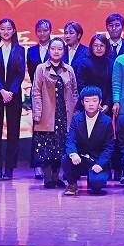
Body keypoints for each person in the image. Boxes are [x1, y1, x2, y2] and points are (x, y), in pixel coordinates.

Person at [31, 37, 79, 188]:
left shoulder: (68, 69)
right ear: (49, 50)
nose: (56, 52)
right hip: (47, 114)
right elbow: (36, 91)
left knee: (60, 147)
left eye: (59, 49)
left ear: (64, 51)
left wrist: (75, 112)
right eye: (53, 49)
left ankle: (56, 176)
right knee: (46, 147)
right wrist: (37, 112)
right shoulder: (41, 68)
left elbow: (75, 92)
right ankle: (47, 179)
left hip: (64, 115)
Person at [0, 18, 26, 180]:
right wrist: (2, 91)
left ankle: (9, 168)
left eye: (9, 29)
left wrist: (11, 91)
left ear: (14, 31)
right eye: (3, 29)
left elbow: (20, 73)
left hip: (14, 95)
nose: (6, 32)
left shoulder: (20, 50)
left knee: (13, 133)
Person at [62, 86, 114, 195]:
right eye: (87, 101)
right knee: (66, 158)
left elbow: (109, 147)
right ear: (82, 102)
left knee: (97, 185)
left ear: (100, 102)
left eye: (94, 101)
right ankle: (72, 184)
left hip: (98, 161)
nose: (91, 104)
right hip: (81, 160)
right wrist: (73, 154)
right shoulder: (76, 119)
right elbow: (70, 141)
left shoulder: (107, 121)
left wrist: (100, 164)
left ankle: (94, 180)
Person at [26, 18, 52, 179]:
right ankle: (37, 164)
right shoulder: (31, 51)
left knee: (54, 129)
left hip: (54, 94)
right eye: (39, 31)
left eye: (45, 30)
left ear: (50, 31)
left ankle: (52, 163)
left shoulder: (56, 48)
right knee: (38, 129)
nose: (42, 33)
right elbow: (31, 74)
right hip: (38, 93)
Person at [75, 33, 113, 108]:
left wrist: (107, 104)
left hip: (106, 106)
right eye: (96, 45)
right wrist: (94, 102)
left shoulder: (111, 63)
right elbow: (80, 85)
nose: (99, 48)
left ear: (106, 47)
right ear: (91, 47)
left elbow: (112, 86)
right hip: (88, 104)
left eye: (102, 45)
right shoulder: (84, 62)